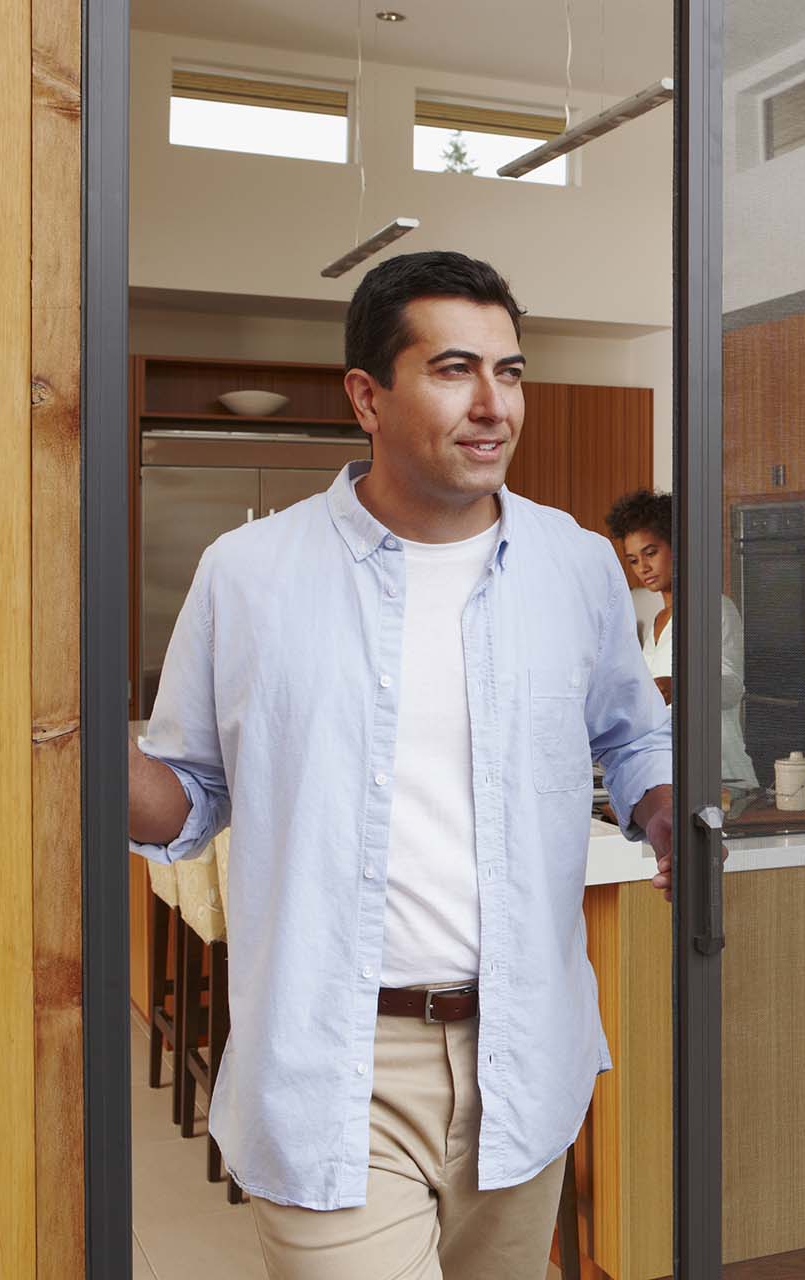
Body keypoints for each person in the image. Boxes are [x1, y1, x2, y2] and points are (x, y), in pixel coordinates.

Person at [127, 251, 675, 1280]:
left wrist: (662, 805)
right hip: (334, 1059)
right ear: (366, 396)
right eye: (456, 368)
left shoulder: (574, 564)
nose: (492, 405)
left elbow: (632, 732)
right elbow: (188, 801)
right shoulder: (249, 576)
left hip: (525, 1053)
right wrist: (79, 737)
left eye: (510, 372)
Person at [605, 488, 762, 800]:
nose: (642, 568)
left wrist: (677, 686)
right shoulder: (657, 623)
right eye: (634, 560)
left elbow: (731, 687)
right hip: (675, 777)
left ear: (678, 545)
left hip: (722, 778)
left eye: (651, 553)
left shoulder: (713, 608)